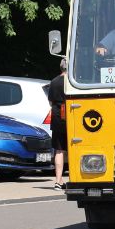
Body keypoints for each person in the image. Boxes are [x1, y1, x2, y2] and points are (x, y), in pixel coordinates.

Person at [47, 58, 67, 188]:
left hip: (57, 117)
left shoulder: (53, 82)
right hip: (72, 116)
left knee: (59, 150)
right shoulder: (73, 81)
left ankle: (58, 181)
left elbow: (50, 102)